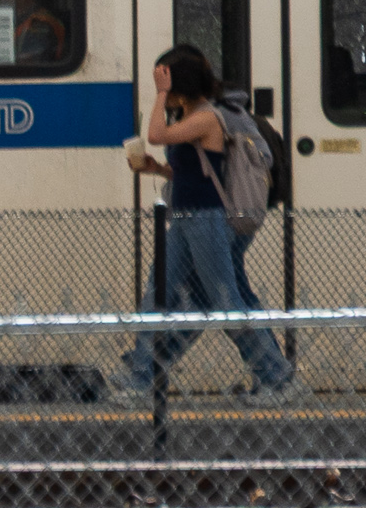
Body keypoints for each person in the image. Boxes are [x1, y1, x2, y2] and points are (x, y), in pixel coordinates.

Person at [116, 45, 297, 401]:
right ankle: (140, 377)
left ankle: (277, 379)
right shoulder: (188, 117)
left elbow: (156, 135)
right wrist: (156, 169)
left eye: (169, 83)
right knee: (158, 294)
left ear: (179, 86)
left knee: (226, 301)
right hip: (183, 219)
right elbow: (191, 172)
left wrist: (160, 94)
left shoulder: (207, 117)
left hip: (206, 221)